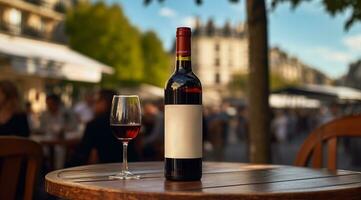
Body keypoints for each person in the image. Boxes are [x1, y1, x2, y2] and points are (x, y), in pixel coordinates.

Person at [67, 89, 139, 167]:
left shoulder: (94, 124)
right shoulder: (126, 122)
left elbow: (83, 153)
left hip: (102, 169)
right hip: (131, 166)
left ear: (104, 103)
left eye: (97, 101)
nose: (94, 105)